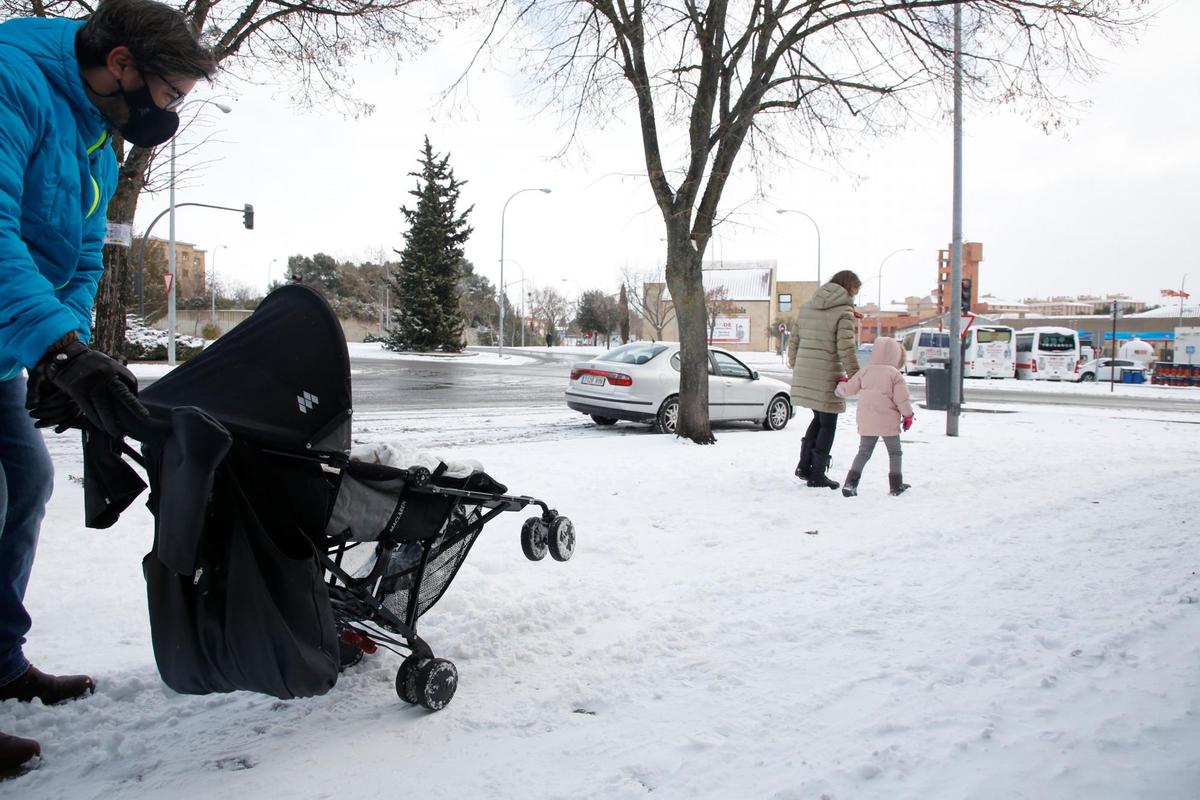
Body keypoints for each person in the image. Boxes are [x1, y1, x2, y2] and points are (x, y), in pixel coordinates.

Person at [0, 0, 215, 776]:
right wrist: (53, 349)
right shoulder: (11, 81)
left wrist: (69, 349)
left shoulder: (94, 131)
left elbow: (81, 254)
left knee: (25, 483)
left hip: (4, 342)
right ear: (121, 64)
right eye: (170, 95)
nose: (168, 115)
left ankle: (0, 662)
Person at [786, 270, 862, 490]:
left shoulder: (809, 306)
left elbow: (795, 339)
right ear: (849, 288)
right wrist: (857, 376)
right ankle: (817, 474)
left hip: (806, 370)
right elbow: (846, 348)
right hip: (827, 373)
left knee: (819, 419)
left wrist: (794, 363)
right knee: (828, 423)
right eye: (855, 292)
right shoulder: (844, 312)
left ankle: (804, 466)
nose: (855, 297)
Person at [834, 336, 914, 497]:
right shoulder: (895, 375)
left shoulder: (865, 371)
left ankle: (850, 484)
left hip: (867, 419)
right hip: (888, 421)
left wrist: (841, 385)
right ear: (895, 355)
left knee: (863, 452)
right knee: (895, 453)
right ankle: (896, 485)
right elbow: (902, 399)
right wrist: (908, 416)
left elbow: (848, 389)